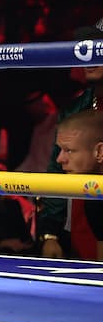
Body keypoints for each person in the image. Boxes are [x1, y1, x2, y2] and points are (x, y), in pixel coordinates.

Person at [36, 22, 103, 258]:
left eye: (99, 47)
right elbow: (58, 169)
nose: (91, 55)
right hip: (82, 226)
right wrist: (50, 234)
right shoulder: (74, 110)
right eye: (86, 48)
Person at [53, 109, 103, 256]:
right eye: (60, 150)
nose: (59, 159)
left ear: (99, 152)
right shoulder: (94, 199)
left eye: (69, 150)